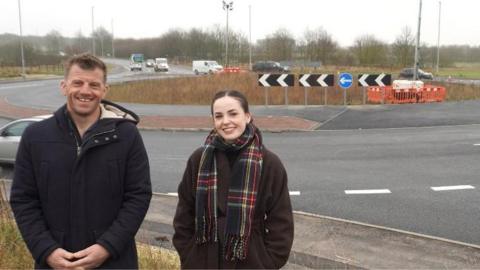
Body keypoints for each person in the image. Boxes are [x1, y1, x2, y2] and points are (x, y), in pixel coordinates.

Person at [10, 53, 152, 269]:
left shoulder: (127, 136)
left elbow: (138, 197)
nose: (85, 91)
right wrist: (46, 250)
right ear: (64, 86)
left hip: (115, 262)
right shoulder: (34, 136)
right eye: (78, 82)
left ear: (104, 90)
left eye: (94, 84)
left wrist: (107, 247)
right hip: (54, 263)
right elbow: (23, 200)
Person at [173, 90, 294, 269]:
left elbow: (281, 221)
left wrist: (267, 262)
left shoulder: (268, 162)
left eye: (233, 114)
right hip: (203, 260)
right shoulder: (199, 159)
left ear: (247, 116)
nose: (226, 122)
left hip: (251, 260)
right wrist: (189, 255)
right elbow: (184, 213)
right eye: (219, 116)